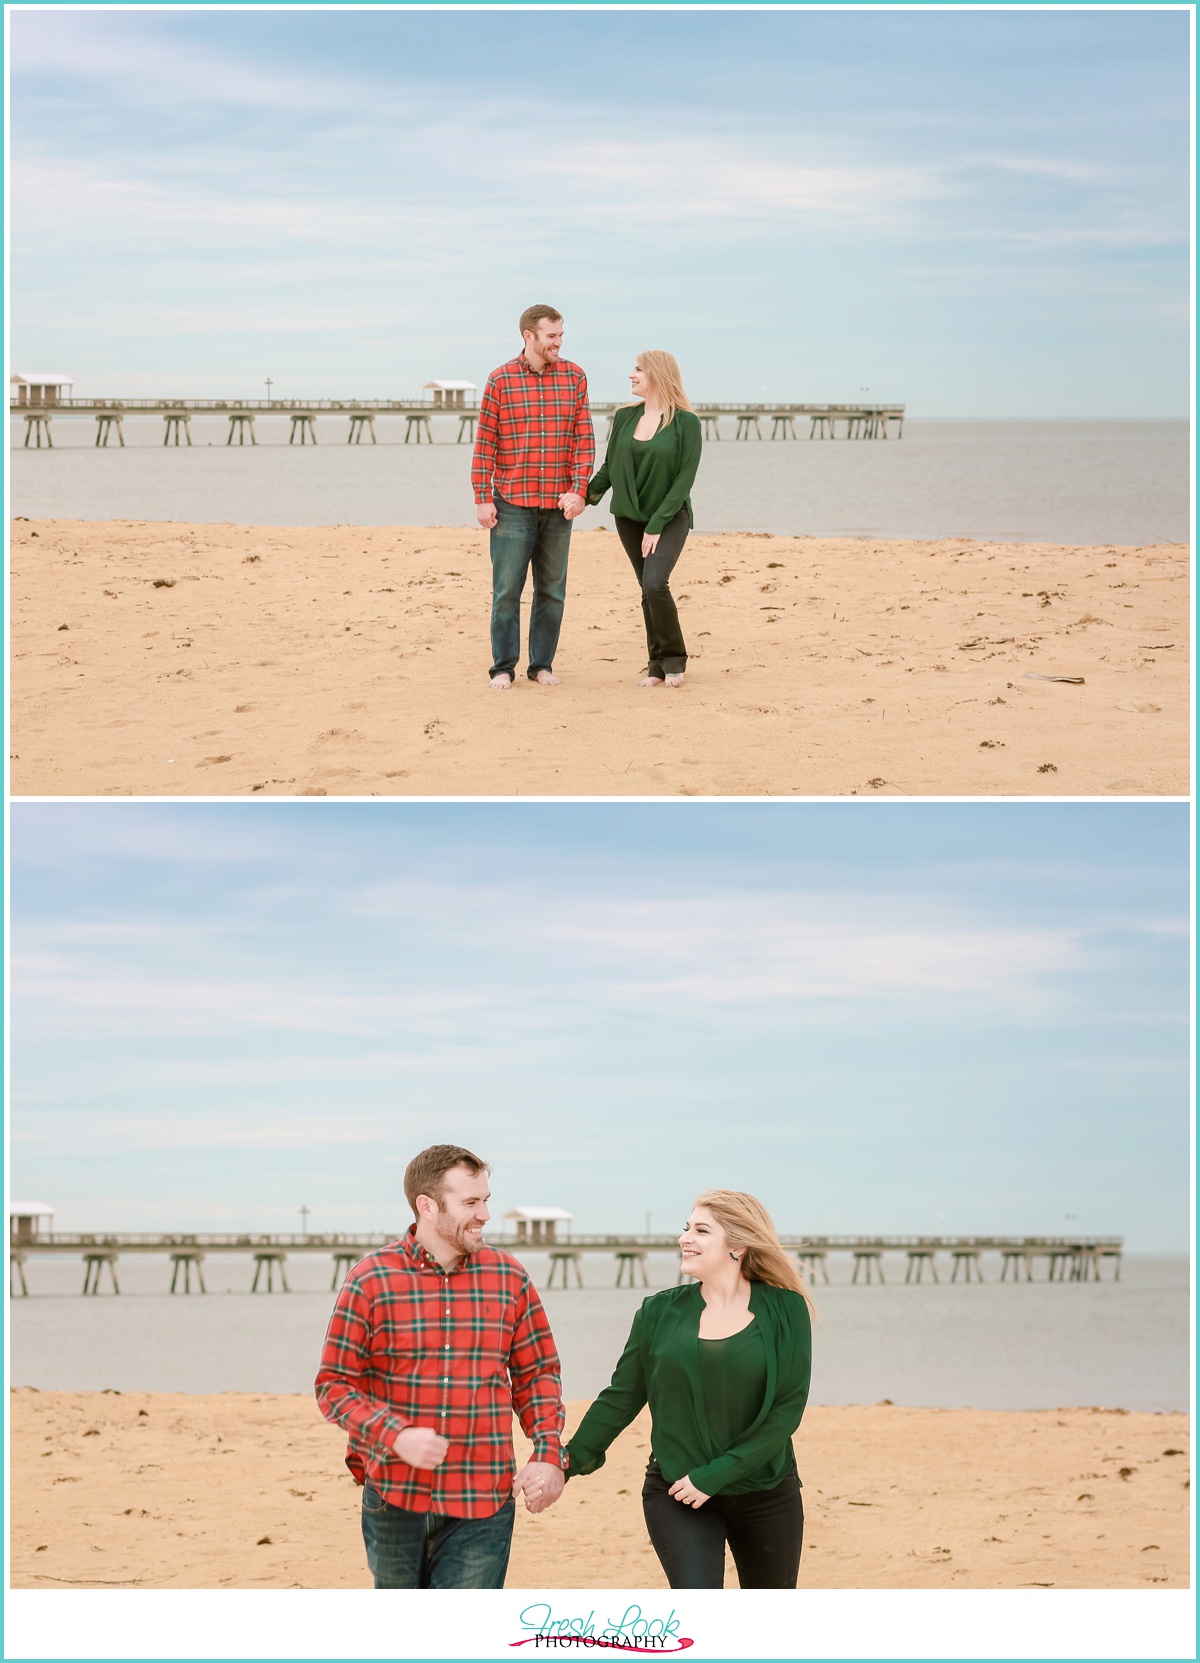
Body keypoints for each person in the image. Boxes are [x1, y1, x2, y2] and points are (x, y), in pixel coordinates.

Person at [315, 1144, 566, 1588]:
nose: (485, 1214)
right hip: (394, 1496)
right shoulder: (371, 1279)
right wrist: (396, 1435)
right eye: (471, 1202)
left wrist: (547, 1452)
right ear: (427, 1206)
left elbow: (537, 1374)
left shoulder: (510, 1277)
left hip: (483, 1501)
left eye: (485, 1200)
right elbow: (334, 1385)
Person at [564, 1190, 812, 1590]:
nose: (685, 1238)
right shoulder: (657, 1312)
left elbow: (787, 1409)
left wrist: (714, 1476)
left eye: (701, 1230)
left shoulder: (786, 1309)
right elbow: (623, 1396)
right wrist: (569, 1460)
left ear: (737, 1244)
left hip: (767, 1494)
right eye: (685, 1228)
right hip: (678, 1492)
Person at [471, 305, 595, 690]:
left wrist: (579, 490)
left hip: (558, 505)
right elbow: (485, 443)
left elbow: (583, 439)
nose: (558, 342)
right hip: (511, 502)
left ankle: (542, 664)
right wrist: (482, 496)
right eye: (551, 336)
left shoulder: (574, 377)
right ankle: (503, 667)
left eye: (561, 335)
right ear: (529, 335)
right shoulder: (500, 380)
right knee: (507, 590)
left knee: (552, 590)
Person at [586, 351, 702, 688]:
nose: (631, 375)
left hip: (670, 515)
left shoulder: (685, 422)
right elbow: (610, 468)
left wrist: (656, 524)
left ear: (657, 375)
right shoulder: (623, 417)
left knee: (655, 583)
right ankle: (656, 665)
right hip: (629, 517)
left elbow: (684, 479)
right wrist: (584, 498)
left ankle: (675, 658)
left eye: (637, 369)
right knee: (646, 589)